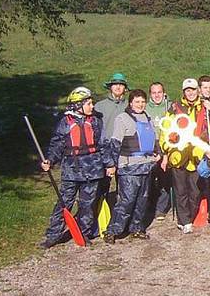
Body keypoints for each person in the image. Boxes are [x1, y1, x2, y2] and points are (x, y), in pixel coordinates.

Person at [38, 87, 113, 248]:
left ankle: (83, 233)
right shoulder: (65, 122)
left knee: (87, 205)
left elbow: (103, 145)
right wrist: (49, 160)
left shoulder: (95, 121)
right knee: (64, 203)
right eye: (89, 103)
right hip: (71, 171)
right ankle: (53, 235)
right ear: (78, 105)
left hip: (93, 170)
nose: (92, 106)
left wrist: (110, 164)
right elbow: (56, 145)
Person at [104, 89, 160, 243]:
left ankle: (136, 228)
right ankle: (112, 231)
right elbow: (115, 143)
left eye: (142, 101)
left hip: (146, 166)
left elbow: (154, 140)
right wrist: (111, 164)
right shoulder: (122, 119)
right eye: (137, 101)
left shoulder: (147, 119)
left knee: (142, 200)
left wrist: (158, 152)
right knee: (126, 201)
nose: (140, 104)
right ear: (130, 103)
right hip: (129, 168)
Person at [160, 77, 210, 234]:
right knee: (181, 190)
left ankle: (191, 215)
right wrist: (167, 146)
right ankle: (185, 221)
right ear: (184, 92)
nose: (191, 93)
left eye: (193, 90)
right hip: (179, 156)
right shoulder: (175, 108)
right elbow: (165, 131)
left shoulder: (204, 108)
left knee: (195, 191)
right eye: (187, 90)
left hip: (197, 157)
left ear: (198, 91)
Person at [93, 72, 130, 226]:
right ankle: (98, 217)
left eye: (121, 84)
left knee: (124, 186)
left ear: (125, 88)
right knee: (102, 186)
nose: (118, 87)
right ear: (110, 87)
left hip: (124, 149)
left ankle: (121, 217)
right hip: (105, 150)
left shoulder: (129, 105)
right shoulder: (100, 106)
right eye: (115, 84)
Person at [146, 82, 171, 220]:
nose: (157, 95)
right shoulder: (145, 108)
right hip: (150, 145)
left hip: (164, 144)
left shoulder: (169, 106)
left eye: (159, 92)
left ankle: (161, 208)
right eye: (154, 93)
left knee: (164, 177)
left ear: (164, 93)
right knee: (148, 178)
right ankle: (149, 204)